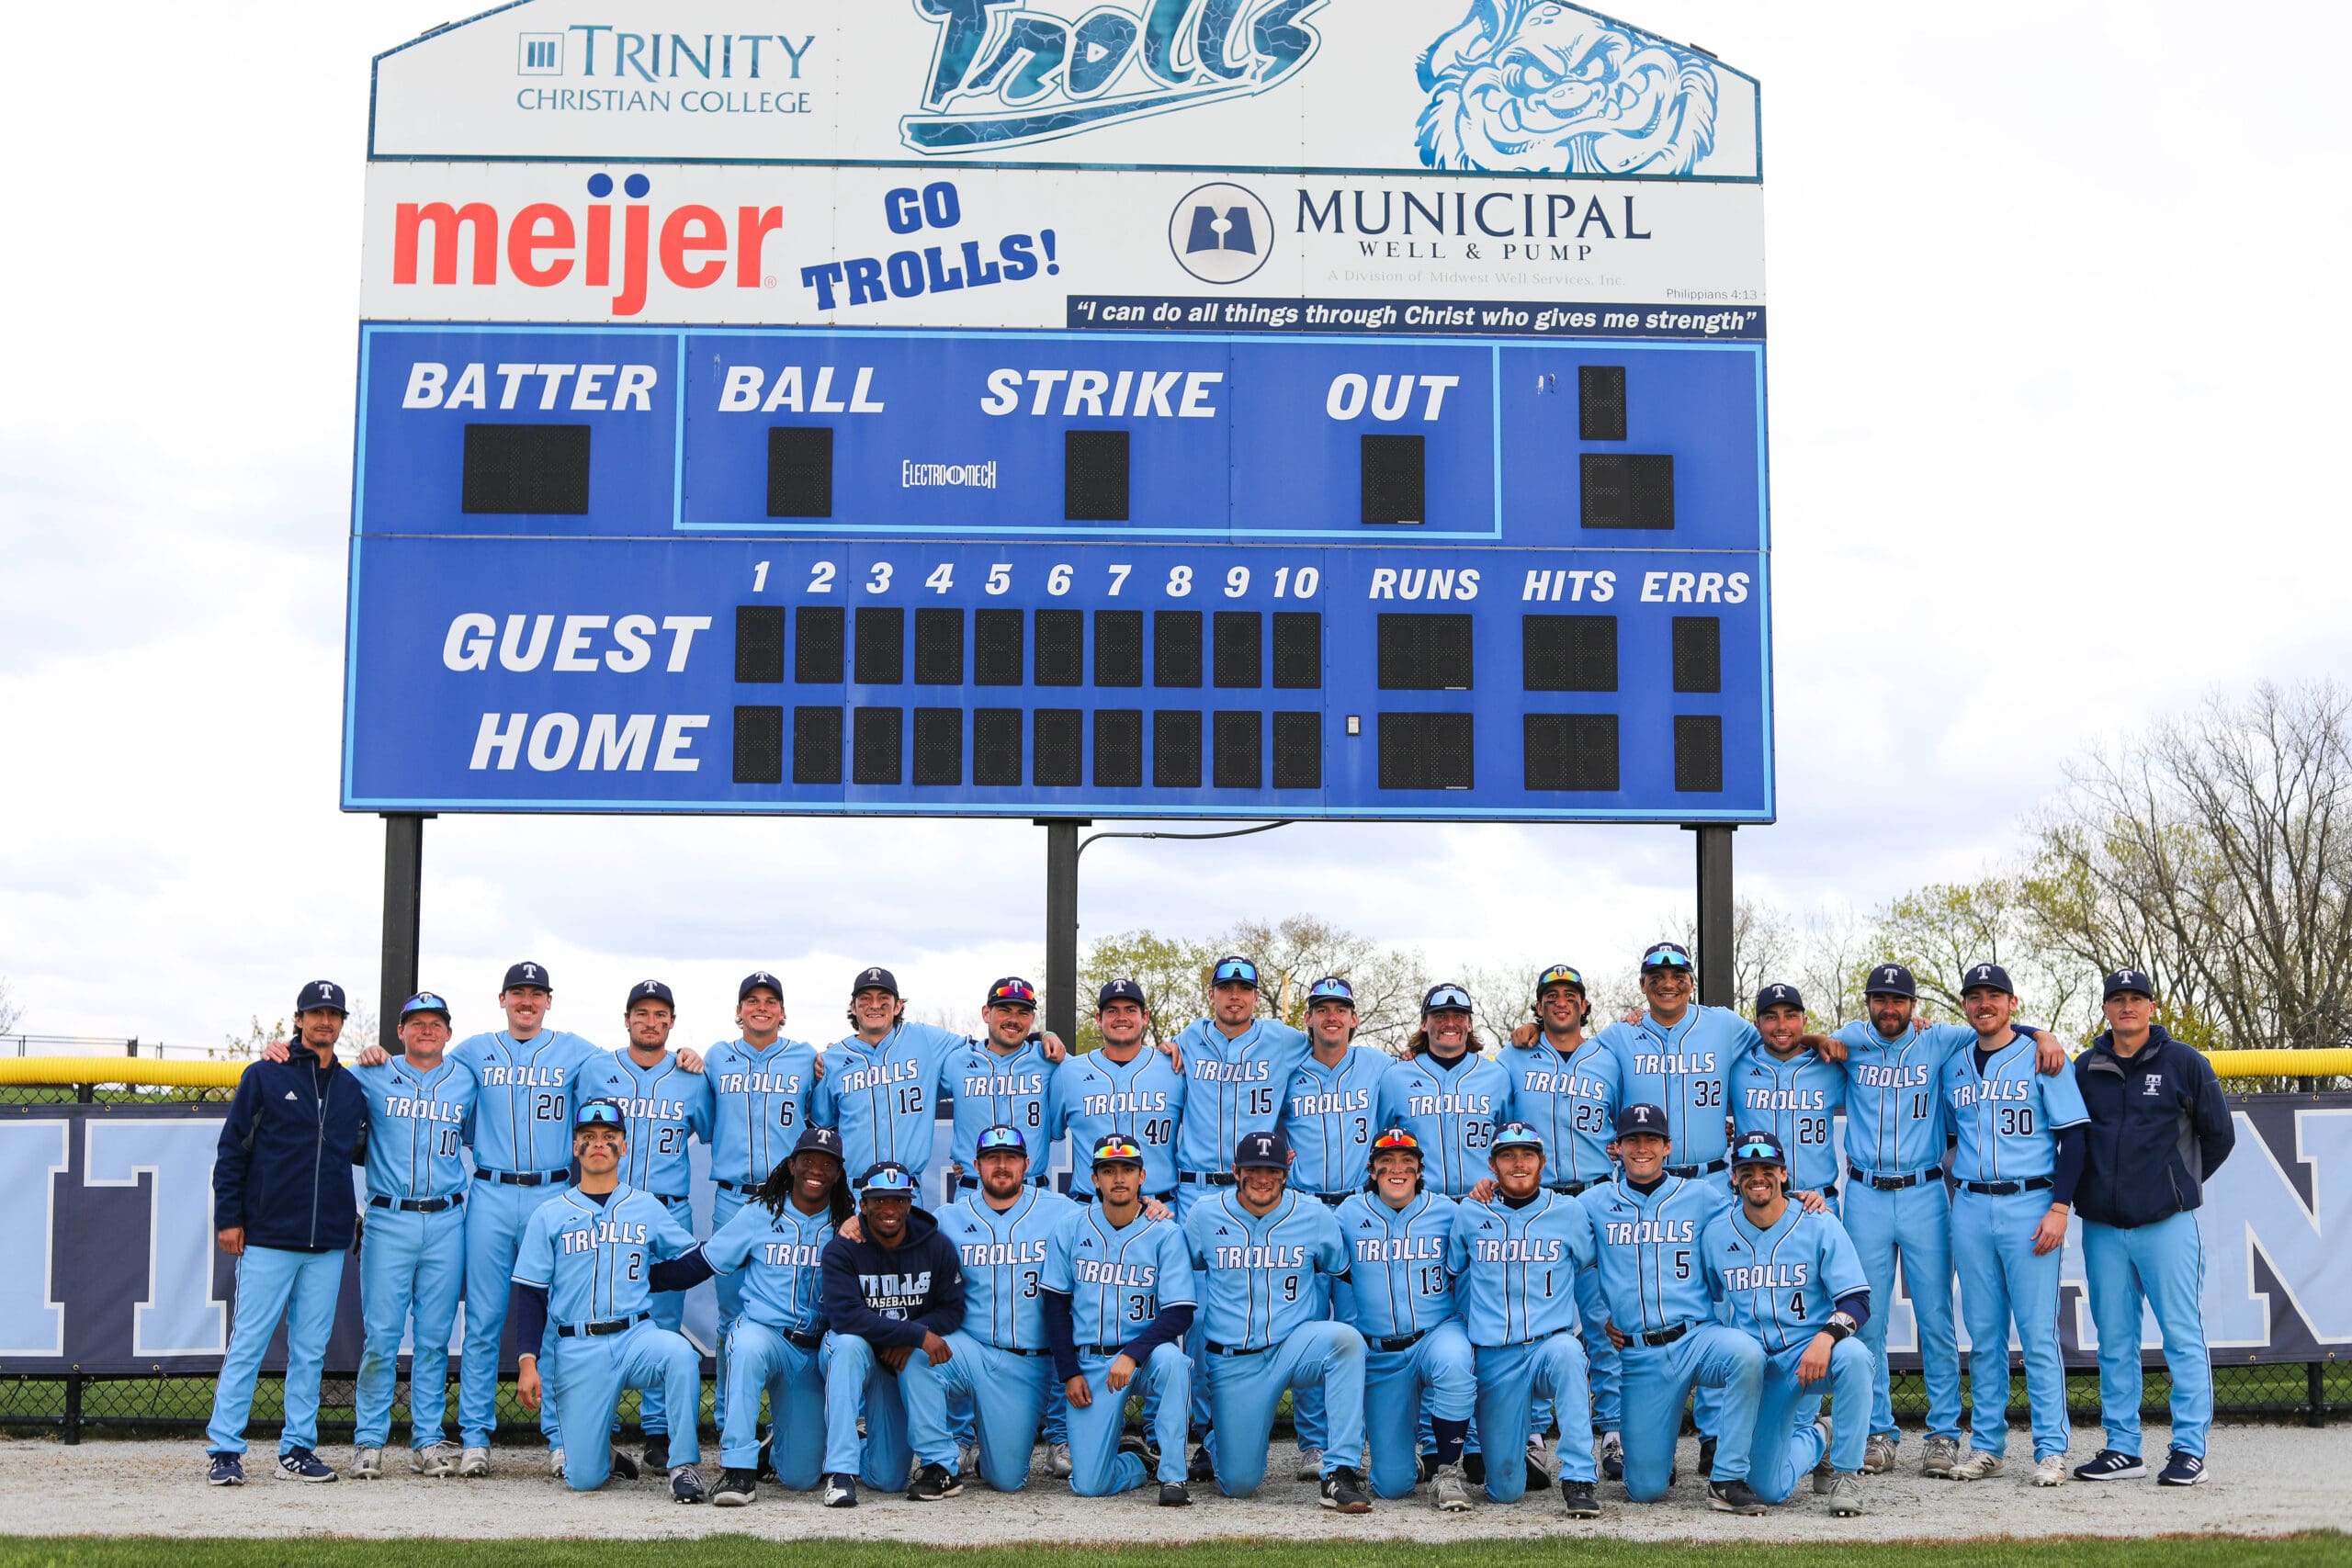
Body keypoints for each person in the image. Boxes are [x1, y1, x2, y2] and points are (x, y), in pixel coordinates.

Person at [1829, 962, 2068, 1476]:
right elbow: (1800, 1046)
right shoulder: (1851, 1039)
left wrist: (2043, 1033)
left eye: (1898, 1000)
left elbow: (1998, 1027)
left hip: (1925, 1191)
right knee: (1867, 1319)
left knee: (1936, 1319)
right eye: (1879, 999)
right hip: (1866, 1192)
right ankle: (1878, 1431)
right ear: (1867, 1004)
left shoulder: (1941, 1040)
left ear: (1913, 1006)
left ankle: (1943, 1434)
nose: (1889, 1008)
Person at [2069, 967, 2237, 1486]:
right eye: (2117, 999)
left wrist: (2175, 1186)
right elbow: (2072, 1139)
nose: (2127, 1007)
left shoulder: (2184, 1061)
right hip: (2103, 1227)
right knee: (2114, 1341)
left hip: (2167, 1224)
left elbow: (2220, 1136)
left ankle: (2189, 1450)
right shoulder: (2086, 1067)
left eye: (2136, 998)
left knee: (2181, 1337)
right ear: (2105, 1009)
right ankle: (2123, 1447)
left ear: (2152, 1006)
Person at [204, 980, 370, 1485]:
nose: (325, 1021)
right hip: (268, 1236)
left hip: (326, 1243)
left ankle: (297, 1448)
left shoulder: (351, 1088)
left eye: (333, 1014)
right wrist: (229, 1218)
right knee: (248, 1344)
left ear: (342, 1023)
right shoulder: (265, 1074)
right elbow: (232, 1150)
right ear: (298, 1019)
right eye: (315, 1013)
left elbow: (359, 1150)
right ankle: (225, 1449)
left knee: (311, 1351)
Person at [1939, 963, 2091, 1486]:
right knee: (1984, 1336)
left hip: (2031, 1202)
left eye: (1994, 995)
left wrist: (2060, 1208)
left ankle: (2051, 1449)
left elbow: (2075, 1138)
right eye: (1975, 996)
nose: (1984, 1004)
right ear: (1965, 1005)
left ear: (2012, 1003)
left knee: (2037, 1335)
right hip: (1970, 1205)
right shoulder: (1954, 1064)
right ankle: (1987, 1446)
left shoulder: (2043, 1056)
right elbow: (1949, 1137)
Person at [509, 1100, 707, 1500]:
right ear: (576, 1147)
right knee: (583, 1479)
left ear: (624, 1146)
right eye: (589, 1136)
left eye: (609, 1136)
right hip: (578, 1345)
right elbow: (531, 1292)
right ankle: (606, 1454)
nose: (599, 1143)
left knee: (680, 1355)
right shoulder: (550, 1213)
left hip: (637, 1337)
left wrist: (720, 1254)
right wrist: (528, 1361)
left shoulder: (645, 1206)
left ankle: (683, 1464)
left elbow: (687, 1262)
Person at [655, 1124, 852, 1506]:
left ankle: (773, 1449)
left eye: (827, 1164)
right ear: (791, 1165)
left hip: (811, 1350)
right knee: (742, 1345)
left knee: (800, 1477)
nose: (816, 1169)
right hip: (766, 1334)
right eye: (808, 1160)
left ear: (839, 1174)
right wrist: (646, 1279)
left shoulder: (846, 1222)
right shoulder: (761, 1212)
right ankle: (739, 1470)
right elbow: (704, 1261)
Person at [1579, 1103, 1762, 1511]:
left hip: (1697, 1337)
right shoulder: (1594, 1203)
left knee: (1747, 1354)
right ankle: (1656, 1457)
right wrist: (1491, 1191)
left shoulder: (1701, 1196)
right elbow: (1542, 1222)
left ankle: (1727, 1476)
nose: (1642, 1148)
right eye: (1632, 1140)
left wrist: (1801, 1201)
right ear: (1617, 1147)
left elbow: (1756, 1217)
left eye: (1652, 1140)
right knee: (1645, 1489)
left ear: (1667, 1147)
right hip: (1641, 1353)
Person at [1168, 956, 1311, 1462]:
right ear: (1210, 994)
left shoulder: (1284, 1040)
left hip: (1259, 1190)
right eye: (1226, 988)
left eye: (1244, 989)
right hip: (1196, 1192)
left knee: (1264, 1313)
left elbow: (1333, 1039)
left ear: (1255, 996)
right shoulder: (1187, 1039)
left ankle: (1284, 1436)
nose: (1235, 996)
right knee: (1201, 1319)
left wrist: (1412, 1049)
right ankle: (1209, 1435)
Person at [1182, 1129, 1372, 1510]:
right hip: (1235, 1360)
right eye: (1253, 1170)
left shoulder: (1313, 1214)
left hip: (1293, 1346)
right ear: (1236, 1171)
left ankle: (1340, 1471)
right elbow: (1182, 1262)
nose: (1263, 1179)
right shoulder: (1205, 1214)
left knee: (1347, 1342)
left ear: (1286, 1172)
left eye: (1272, 1170)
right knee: (1239, 1484)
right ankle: (1219, 1438)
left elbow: (1342, 1269)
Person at [901, 1126, 1081, 1495]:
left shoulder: (1062, 1211)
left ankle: (995, 1452)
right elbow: (892, 1237)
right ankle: (939, 1463)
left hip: (1026, 1362)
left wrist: (1149, 1207)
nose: (1001, 1166)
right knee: (916, 1353)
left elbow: (1114, 1223)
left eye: (1010, 1158)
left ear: (1027, 1165)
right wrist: (855, 1223)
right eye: (992, 1158)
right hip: (971, 1351)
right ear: (976, 1165)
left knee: (1006, 1480)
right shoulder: (949, 1217)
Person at [1700, 1131, 1872, 1513]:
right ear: (1733, 1177)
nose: (1757, 1177)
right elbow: (1703, 1298)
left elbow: (1857, 1300)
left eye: (1767, 1169)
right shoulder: (1717, 1234)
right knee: (1768, 1489)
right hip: (1761, 1369)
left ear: (1783, 1174)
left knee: (1856, 1357)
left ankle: (1847, 1475)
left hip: (1811, 1356)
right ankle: (1819, 1436)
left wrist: (1826, 1337)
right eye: (1747, 1170)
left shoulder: (1818, 1222)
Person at [1498, 963, 1624, 1479]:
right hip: (1537, 1200)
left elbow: (1631, 1123)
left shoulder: (1610, 1056)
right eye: (1551, 996)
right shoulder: (1513, 1057)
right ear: (1538, 1007)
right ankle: (1533, 1434)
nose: (1561, 1002)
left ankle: (1612, 1430)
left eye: (1571, 995)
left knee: (1603, 1316)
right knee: (1533, 1318)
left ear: (1585, 1005)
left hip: (1596, 1194)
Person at [349, 990, 480, 1480]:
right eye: (417, 1023)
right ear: (400, 1031)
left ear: (448, 1033)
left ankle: (426, 1440)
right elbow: (322, 1081)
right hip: (389, 1216)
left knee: (434, 1338)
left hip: (447, 1219)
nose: (427, 1030)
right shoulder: (372, 1073)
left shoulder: (465, 1080)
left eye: (436, 1023)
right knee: (381, 1337)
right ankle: (369, 1440)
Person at [1446, 1121, 1602, 1517]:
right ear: (1492, 1165)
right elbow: (1453, 1272)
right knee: (1504, 1490)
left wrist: (1606, 1322)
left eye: (1527, 1155)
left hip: (1549, 1344)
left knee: (1570, 1354)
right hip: (1495, 1355)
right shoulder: (1470, 1213)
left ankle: (1579, 1478)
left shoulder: (1568, 1212)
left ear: (1542, 1162)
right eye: (1508, 1156)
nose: (1519, 1163)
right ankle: (1517, 1460)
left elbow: (1591, 1271)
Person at [1042, 1134, 1197, 1505]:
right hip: (1092, 1361)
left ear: (1142, 1176)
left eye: (1127, 1169)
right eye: (1108, 1170)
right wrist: (1069, 1372)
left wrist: (1133, 1353)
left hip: (1146, 1358)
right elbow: (1055, 1305)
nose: (1118, 1178)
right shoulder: (1071, 1227)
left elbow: (1180, 1313)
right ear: (1094, 1179)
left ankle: (1173, 1477)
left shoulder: (1165, 1232)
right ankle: (1137, 1463)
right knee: (1089, 1485)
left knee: (1174, 1362)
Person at [598, 978, 714, 1469]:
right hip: (608, 1208)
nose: (650, 1022)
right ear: (627, 1019)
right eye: (641, 1013)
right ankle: (597, 1429)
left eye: (660, 1015)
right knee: (602, 1317)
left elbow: (711, 1130)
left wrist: (698, 1059)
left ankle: (657, 1431)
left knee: (665, 1322)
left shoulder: (691, 1076)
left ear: (672, 1022)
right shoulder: (596, 1069)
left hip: (668, 1210)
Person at [1278, 975, 1388, 1481]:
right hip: (1303, 1208)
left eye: (1340, 1009)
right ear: (1308, 1018)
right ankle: (1313, 1443)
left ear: (1354, 1018)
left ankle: (1357, 1438)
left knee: (1361, 1324)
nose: (1331, 1017)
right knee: (1307, 1326)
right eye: (1322, 1009)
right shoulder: (1287, 1068)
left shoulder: (1379, 1066)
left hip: (1359, 1207)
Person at [1333, 1129, 1476, 1508]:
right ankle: (1404, 1461)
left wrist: (1486, 1191)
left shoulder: (1447, 1211)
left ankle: (1447, 1472)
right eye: (1387, 1162)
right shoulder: (1348, 1214)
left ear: (1419, 1170)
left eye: (1406, 1161)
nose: (1397, 1169)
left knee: (1455, 1361)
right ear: (1372, 1170)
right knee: (1392, 1485)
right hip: (1382, 1354)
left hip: (1436, 1333)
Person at [703, 970, 820, 1434]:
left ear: (783, 1012)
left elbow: (823, 1121)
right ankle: (732, 1421)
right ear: (739, 1011)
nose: (761, 1008)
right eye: (752, 1001)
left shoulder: (806, 1057)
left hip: (789, 1204)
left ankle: (787, 1424)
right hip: (734, 1200)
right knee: (731, 1317)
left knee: (792, 1315)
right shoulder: (716, 1056)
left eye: (770, 1001)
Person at [816, 1160, 966, 1507]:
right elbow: (846, 1317)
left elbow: (953, 1308)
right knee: (849, 1346)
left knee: (888, 1479)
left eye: (898, 1200)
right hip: (852, 1349)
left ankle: (845, 1444)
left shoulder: (936, 1245)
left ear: (910, 1204)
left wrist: (911, 1336)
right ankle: (840, 1472)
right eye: (879, 1200)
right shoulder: (843, 1248)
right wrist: (916, 1334)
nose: (889, 1209)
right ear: (863, 1205)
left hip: (893, 1360)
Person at [1045, 978, 1185, 1206]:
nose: (1121, 1017)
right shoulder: (1068, 1073)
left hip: (1159, 1209)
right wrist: (1044, 1034)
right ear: (1098, 1019)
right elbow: (1048, 1134)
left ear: (1145, 1017)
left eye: (1130, 1010)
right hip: (1090, 1207)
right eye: (1112, 1011)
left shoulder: (1174, 1068)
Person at [1375, 983, 1510, 1198]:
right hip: (1420, 1203)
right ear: (1424, 1023)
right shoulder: (1396, 1077)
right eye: (1439, 1016)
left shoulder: (1497, 1076)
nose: (1450, 1023)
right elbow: (1380, 1144)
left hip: (1485, 1202)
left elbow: (1511, 1142)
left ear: (1470, 1024)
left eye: (1459, 1016)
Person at [938, 978, 1060, 1201]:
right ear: (986, 1013)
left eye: (1023, 1013)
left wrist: (1045, 1034)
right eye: (1005, 1010)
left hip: (1033, 1192)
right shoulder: (957, 1061)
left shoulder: (1049, 1059)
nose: (1014, 1019)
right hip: (972, 1190)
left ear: (1032, 1019)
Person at [1733, 984, 1846, 1210]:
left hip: (1817, 1202)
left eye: (1791, 1016)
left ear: (1804, 1021)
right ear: (1757, 1025)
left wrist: (1913, 1024)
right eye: (1771, 1017)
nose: (1781, 1025)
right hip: (1755, 1202)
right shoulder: (1737, 1067)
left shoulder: (1830, 1066)